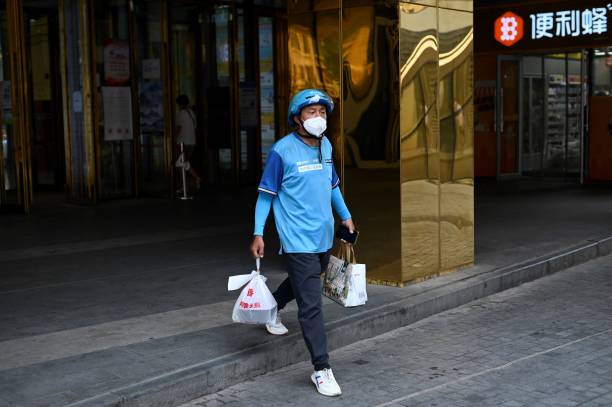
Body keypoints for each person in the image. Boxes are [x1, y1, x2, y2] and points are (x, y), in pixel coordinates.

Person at [250, 89, 355, 397]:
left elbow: (332, 184)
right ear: (297, 118)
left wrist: (346, 216)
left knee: (304, 280)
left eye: (322, 113)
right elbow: (265, 196)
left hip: (322, 236)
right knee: (312, 305)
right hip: (296, 239)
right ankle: (322, 369)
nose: (318, 118)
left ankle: (271, 307)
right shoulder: (282, 151)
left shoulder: (325, 145)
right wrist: (258, 233)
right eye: (311, 113)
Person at [175, 94, 201, 190]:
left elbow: (178, 129)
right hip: (192, 142)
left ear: (180, 104)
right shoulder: (192, 113)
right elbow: (194, 127)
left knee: (179, 164)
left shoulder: (181, 114)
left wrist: (173, 141)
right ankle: (194, 179)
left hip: (182, 143)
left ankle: (187, 184)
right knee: (184, 162)